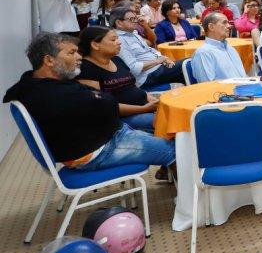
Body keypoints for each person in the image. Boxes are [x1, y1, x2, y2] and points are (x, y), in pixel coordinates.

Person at [3, 33, 175, 173]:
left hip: (103, 137)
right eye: (71, 53)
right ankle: (188, 205)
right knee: (179, 149)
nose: (79, 57)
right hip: (99, 150)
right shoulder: (53, 94)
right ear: (49, 60)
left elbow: (103, 102)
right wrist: (100, 98)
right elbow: (107, 104)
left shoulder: (33, 84)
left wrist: (100, 98)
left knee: (172, 132)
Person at [77, 26, 160, 132]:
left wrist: (149, 98)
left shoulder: (117, 60)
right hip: (122, 118)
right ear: (95, 45)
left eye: (117, 38)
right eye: (113, 39)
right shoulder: (86, 69)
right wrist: (144, 109)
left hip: (145, 106)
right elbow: (102, 105)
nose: (119, 42)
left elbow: (132, 86)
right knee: (167, 121)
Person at [111, 6, 184, 87]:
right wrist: (158, 61)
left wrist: (164, 58)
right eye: (132, 19)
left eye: (136, 18)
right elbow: (133, 69)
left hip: (158, 67)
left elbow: (150, 50)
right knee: (187, 63)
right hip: (146, 76)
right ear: (119, 23)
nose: (136, 21)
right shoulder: (119, 40)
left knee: (187, 71)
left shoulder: (133, 34)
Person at [190, 12, 247, 82]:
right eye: (224, 23)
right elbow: (207, 86)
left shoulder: (231, 49)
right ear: (211, 27)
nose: (229, 26)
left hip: (245, 89)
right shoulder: (203, 53)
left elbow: (243, 76)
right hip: (226, 92)